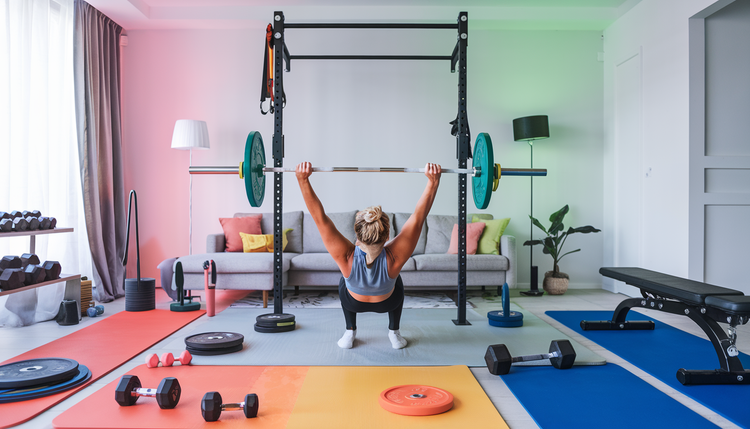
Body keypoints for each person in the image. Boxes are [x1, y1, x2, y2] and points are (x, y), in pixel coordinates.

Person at [295, 162, 442, 349]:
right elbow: (419, 216)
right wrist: (433, 181)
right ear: (387, 236)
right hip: (388, 303)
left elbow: (319, 217)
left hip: (353, 303)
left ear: (357, 236)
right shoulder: (395, 257)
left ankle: (350, 332)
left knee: (343, 281)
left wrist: (302, 179)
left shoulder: (346, 256)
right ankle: (394, 333)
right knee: (397, 279)